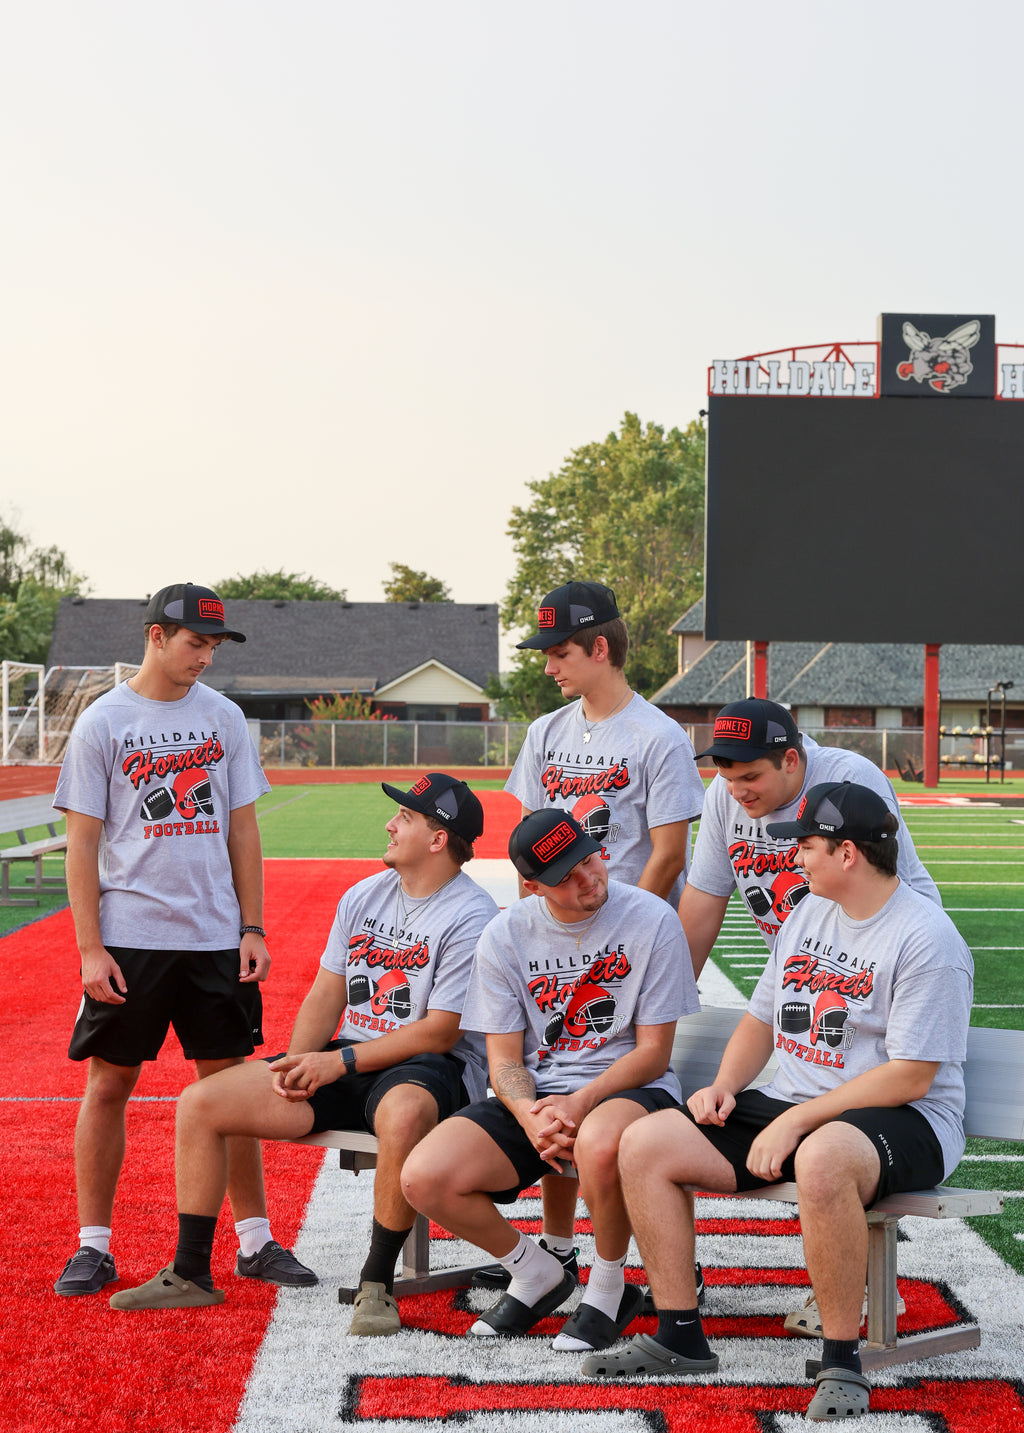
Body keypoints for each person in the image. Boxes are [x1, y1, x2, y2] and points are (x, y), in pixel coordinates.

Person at [583, 781, 973, 1423]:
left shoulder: (925, 937)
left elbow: (910, 1076)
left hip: (908, 1120)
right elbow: (762, 1020)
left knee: (821, 1158)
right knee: (645, 1142)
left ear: (848, 854)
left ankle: (842, 1361)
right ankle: (679, 1334)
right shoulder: (809, 912)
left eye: (808, 847)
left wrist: (795, 1120)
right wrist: (726, 1086)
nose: (794, 859)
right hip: (798, 1104)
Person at [109, 773, 498, 1337]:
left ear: (438, 839)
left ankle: (377, 1283)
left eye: (406, 818)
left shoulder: (473, 914)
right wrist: (298, 1063)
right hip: (351, 1056)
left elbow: (439, 1033)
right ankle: (190, 1271)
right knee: (200, 1102)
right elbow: (326, 992)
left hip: (433, 1069)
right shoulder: (363, 895)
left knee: (406, 1113)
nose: (390, 825)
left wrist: (333, 1065)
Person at [52, 582, 290, 1298]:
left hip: (216, 936)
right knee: (109, 1084)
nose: (207, 657)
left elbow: (242, 829)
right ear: (156, 636)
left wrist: (251, 925)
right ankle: (94, 1245)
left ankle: (255, 1241)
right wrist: (91, 948)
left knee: (230, 1092)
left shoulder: (223, 717)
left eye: (215, 644)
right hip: (131, 938)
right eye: (196, 642)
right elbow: (82, 844)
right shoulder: (105, 722)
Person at [401, 808, 700, 1351]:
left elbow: (654, 1053)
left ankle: (609, 1289)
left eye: (589, 859)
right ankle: (537, 1272)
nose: (589, 878)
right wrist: (529, 1114)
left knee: (600, 1138)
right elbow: (504, 1059)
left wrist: (579, 1103)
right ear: (532, 885)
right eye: (566, 875)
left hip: (630, 1089)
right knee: (423, 1176)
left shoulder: (653, 918)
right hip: (542, 1098)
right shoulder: (504, 934)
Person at [490, 579, 705, 1285]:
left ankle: (661, 1267)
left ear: (600, 647)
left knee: (616, 1097)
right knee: (553, 1067)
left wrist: (620, 930)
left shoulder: (658, 735)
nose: (548, 665)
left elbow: (670, 851)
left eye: (558, 651)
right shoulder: (546, 731)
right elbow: (533, 836)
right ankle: (556, 1246)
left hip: (629, 934)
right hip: (559, 926)